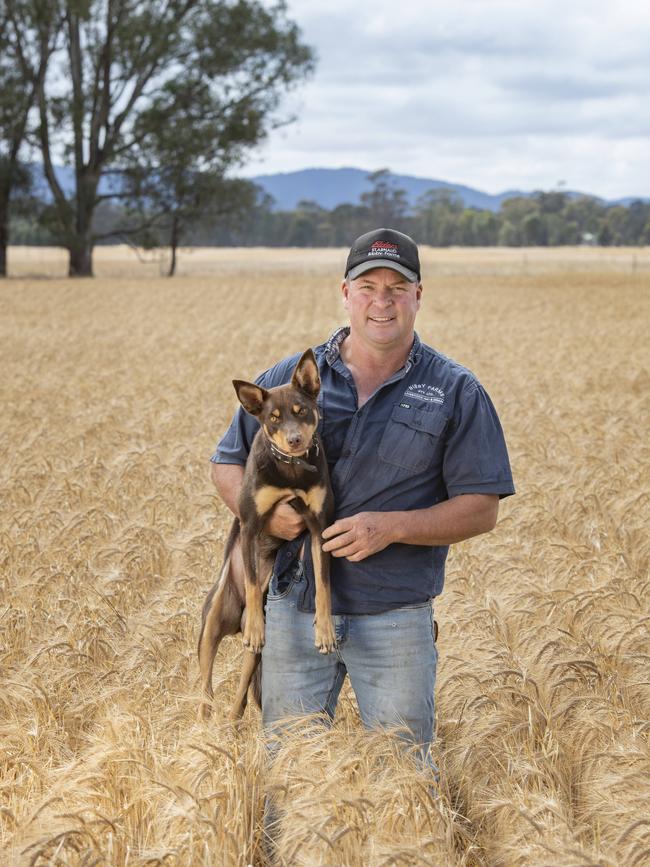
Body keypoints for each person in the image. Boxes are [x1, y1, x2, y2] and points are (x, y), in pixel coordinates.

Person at [210, 227, 515, 769]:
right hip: (293, 612)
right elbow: (226, 463)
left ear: (418, 295)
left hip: (395, 615)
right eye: (368, 286)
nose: (382, 301)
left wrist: (392, 527)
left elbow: (482, 507)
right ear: (345, 293)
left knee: (402, 778)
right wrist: (266, 515)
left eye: (397, 288)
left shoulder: (455, 390)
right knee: (289, 773)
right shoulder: (288, 380)